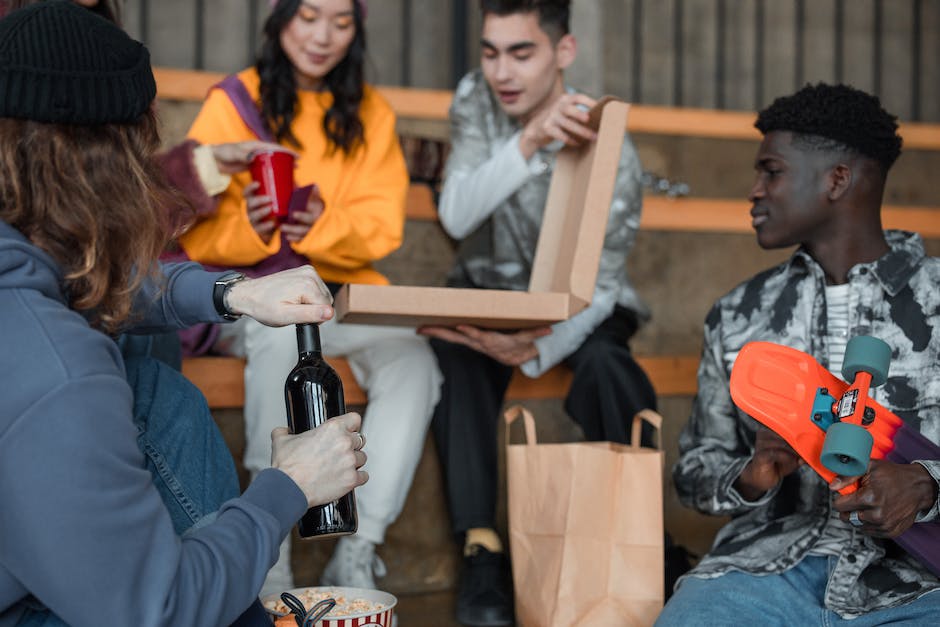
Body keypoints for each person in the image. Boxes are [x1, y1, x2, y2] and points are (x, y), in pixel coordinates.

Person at [0, 3, 369, 625]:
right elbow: (159, 609)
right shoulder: (63, 375)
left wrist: (234, 294)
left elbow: (86, 280)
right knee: (158, 393)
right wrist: (288, 488)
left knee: (155, 387)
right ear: (113, 166)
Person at [175, 0, 442, 596]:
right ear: (279, 15)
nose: (323, 36)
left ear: (358, 27)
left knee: (414, 364)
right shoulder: (234, 102)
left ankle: (361, 544)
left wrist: (317, 225)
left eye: (341, 22)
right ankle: (270, 561)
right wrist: (252, 223)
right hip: (262, 297)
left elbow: (382, 227)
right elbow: (191, 233)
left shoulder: (371, 113)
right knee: (278, 349)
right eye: (309, 16)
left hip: (345, 297)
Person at [656, 83, 940, 625]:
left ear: (836, 179)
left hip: (916, 582)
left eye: (771, 171)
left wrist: (927, 485)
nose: (754, 190)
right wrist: (752, 475)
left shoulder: (936, 299)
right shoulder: (739, 313)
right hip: (767, 571)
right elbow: (695, 469)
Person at [417, 1, 656, 624]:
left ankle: (639, 541)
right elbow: (456, 214)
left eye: (522, 52)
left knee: (609, 364)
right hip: (493, 290)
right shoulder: (476, 98)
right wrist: (529, 139)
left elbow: (601, 284)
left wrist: (537, 347)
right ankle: (481, 548)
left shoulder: (612, 145)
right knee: (454, 348)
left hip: (583, 306)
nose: (503, 71)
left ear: (564, 52)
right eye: (491, 51)